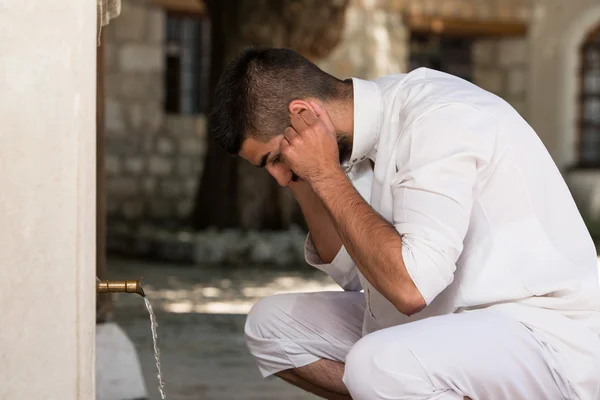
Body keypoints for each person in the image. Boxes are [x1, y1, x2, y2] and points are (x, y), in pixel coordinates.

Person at [209, 47, 600, 400]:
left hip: (538, 332)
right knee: (271, 327)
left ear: (304, 115)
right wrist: (308, 180)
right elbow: (356, 273)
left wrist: (326, 175)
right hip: (446, 323)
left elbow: (409, 288)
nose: (278, 178)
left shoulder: (438, 120)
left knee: (376, 365)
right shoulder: (359, 133)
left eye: (276, 159)